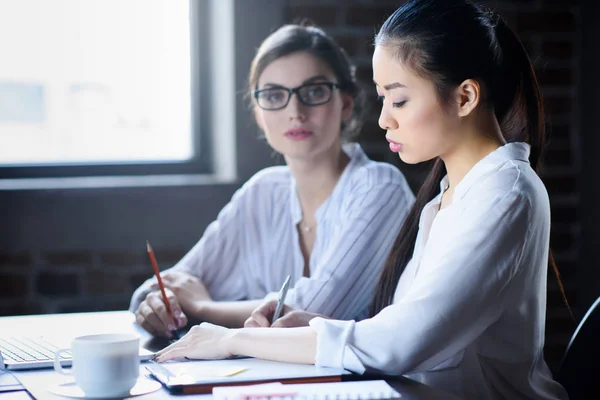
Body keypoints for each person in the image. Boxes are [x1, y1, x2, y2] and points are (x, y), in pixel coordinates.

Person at [154, 1, 571, 399]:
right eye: (384, 98)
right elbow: (403, 330)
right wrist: (315, 326)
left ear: (464, 97)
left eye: (400, 99)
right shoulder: (449, 196)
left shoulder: (505, 193)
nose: (384, 118)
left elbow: (403, 342)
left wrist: (234, 340)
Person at [130, 24, 414, 338]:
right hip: (269, 378)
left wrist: (202, 308)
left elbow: (316, 314)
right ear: (258, 113)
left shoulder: (379, 188)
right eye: (274, 95)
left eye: (314, 92)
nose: (295, 111)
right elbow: (168, 284)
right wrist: (155, 305)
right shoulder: (262, 192)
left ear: (345, 103)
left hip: (366, 384)